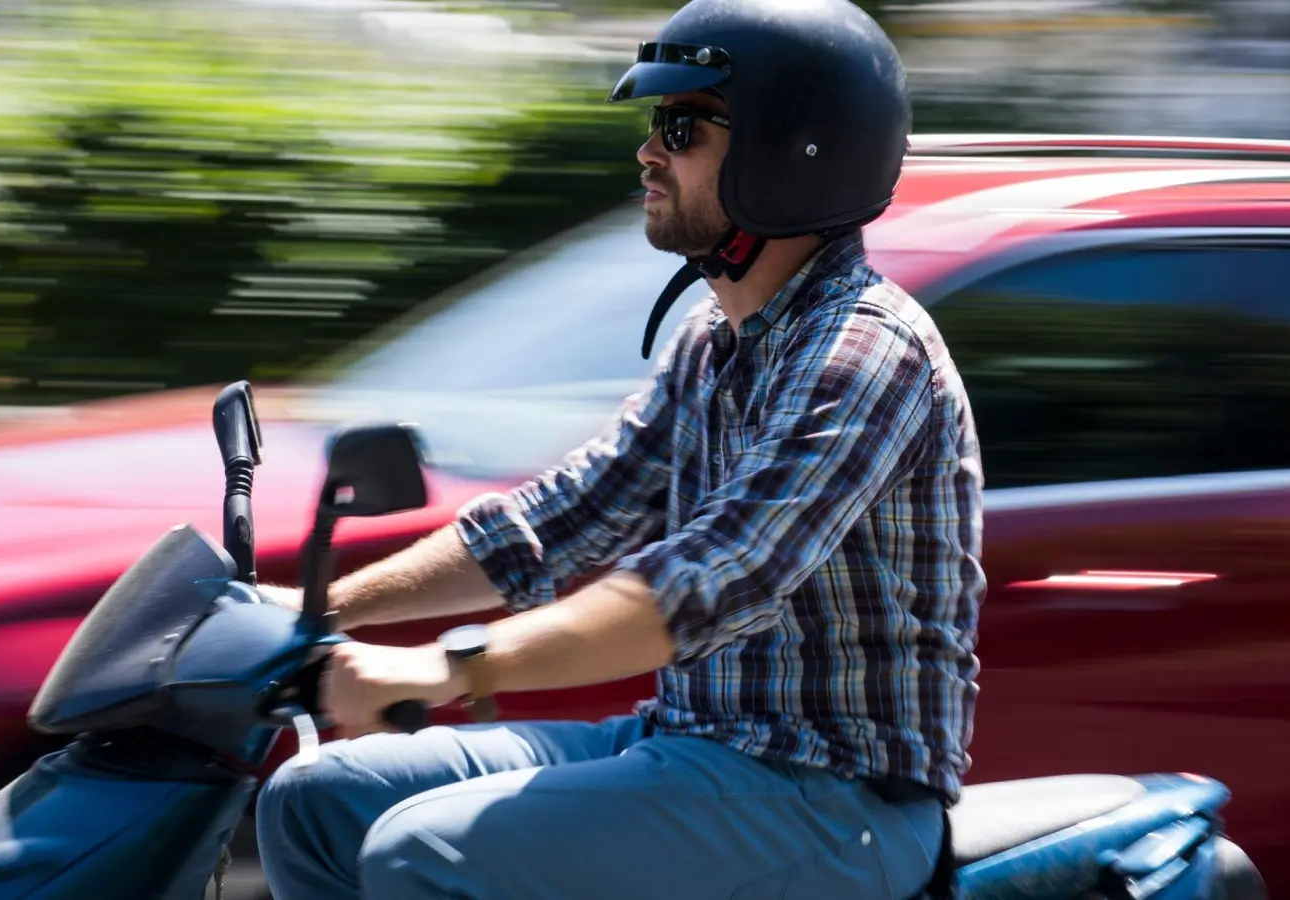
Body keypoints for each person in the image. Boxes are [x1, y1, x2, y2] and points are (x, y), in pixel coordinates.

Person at [253, 0, 986, 896]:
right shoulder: (714, 345)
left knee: (424, 852)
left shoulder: (869, 352)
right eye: (654, 123)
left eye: (681, 126)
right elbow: (556, 521)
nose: (648, 151)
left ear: (792, 152)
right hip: (690, 741)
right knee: (317, 799)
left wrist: (445, 666)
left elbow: (713, 576)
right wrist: (311, 612)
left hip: (836, 797)